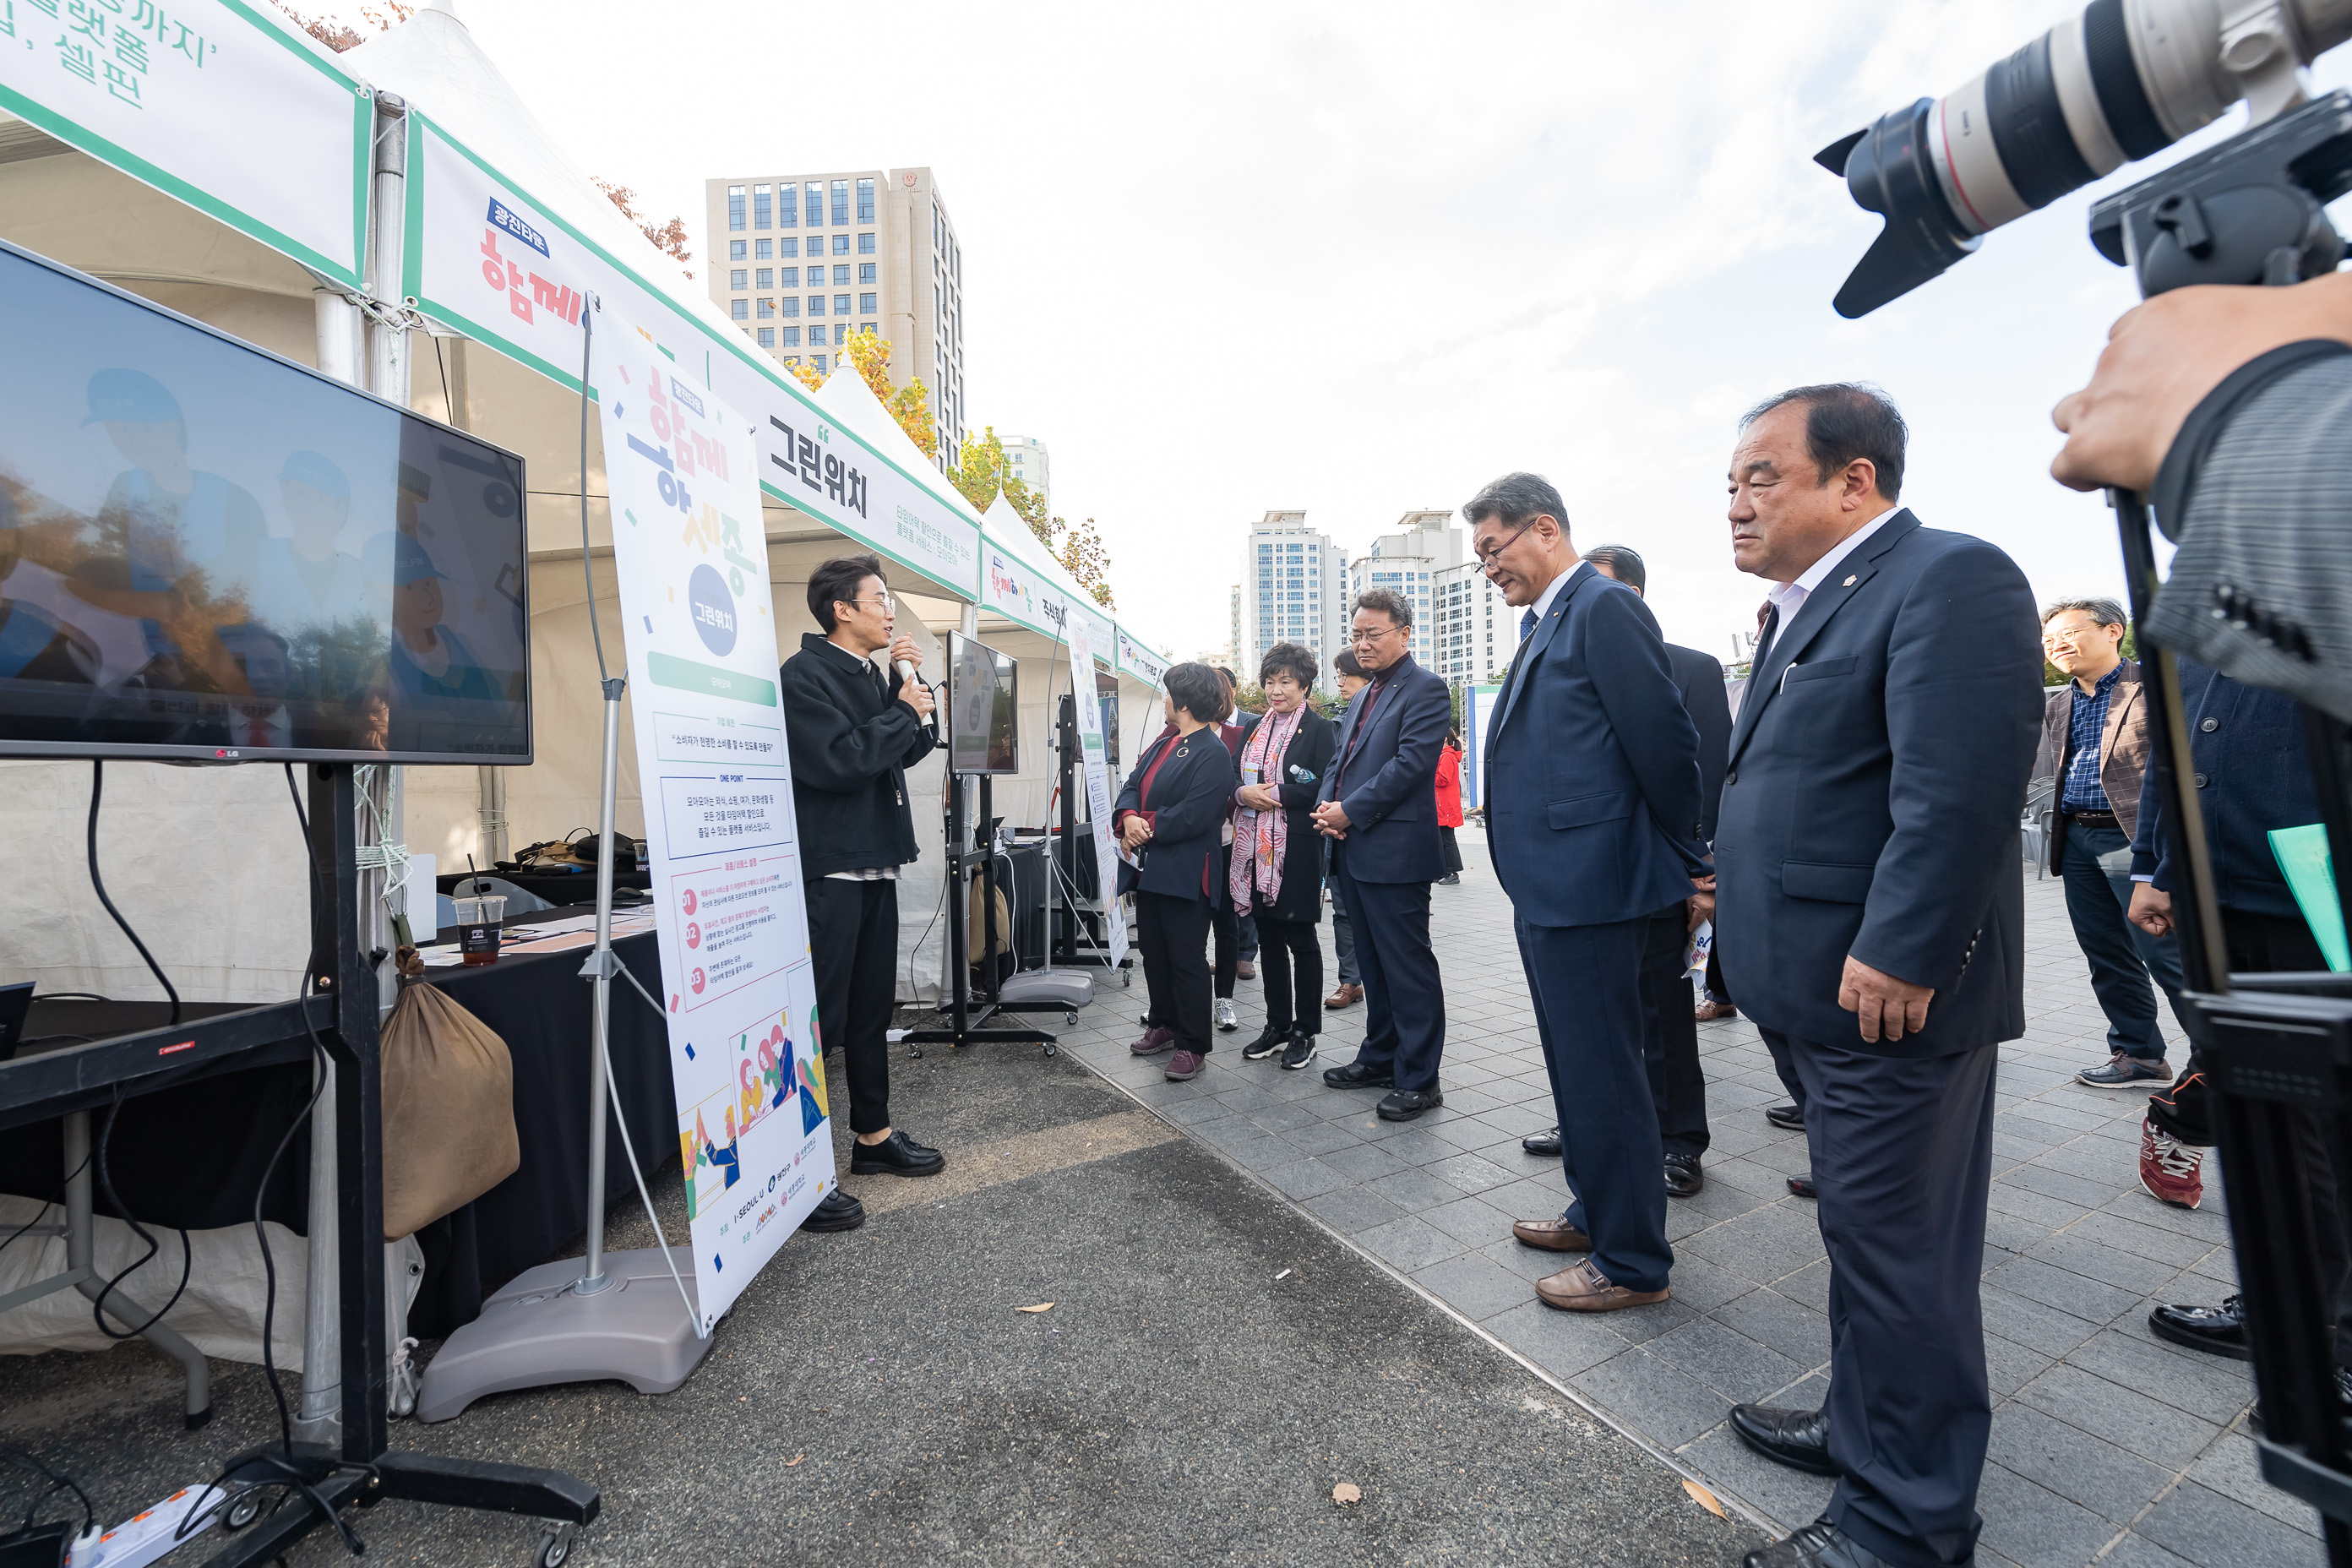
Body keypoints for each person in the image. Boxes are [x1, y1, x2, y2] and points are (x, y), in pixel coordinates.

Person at [1713, 384, 2042, 1568]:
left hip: (1886, 998)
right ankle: (1866, 1432)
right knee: (1866, 1240)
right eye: (1730, 485)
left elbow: (1956, 789)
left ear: (1856, 480)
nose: (1737, 504)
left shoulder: (1948, 576)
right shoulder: (1803, 609)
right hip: (1809, 991)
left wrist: (1905, 947)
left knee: (1905, 1265)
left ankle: (1904, 1525)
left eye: (1763, 477)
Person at [2049, 265, 2352, 1435]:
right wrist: (2165, 869)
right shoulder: (2200, 593)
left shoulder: (2313, 541)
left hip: (2318, 878)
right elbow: (2183, 752)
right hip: (2223, 885)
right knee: (2266, 1113)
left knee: (2333, 1117)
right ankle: (2280, 1301)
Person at [1469, 478, 1711, 1313]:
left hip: (1597, 886)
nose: (1490, 569)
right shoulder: (1551, 620)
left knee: (1607, 1076)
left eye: (1495, 549)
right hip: (1555, 888)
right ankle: (1597, 1211)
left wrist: (1692, 857)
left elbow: (1666, 741)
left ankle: (1633, 1260)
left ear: (1545, 527)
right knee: (1579, 1075)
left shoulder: (1602, 607)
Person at [1517, 542, 1729, 1201]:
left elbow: (1704, 775)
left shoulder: (1692, 669)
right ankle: (1594, 1130)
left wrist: (1702, 873)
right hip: (1587, 878)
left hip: (1660, 873)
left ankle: (1678, 1141)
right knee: (1595, 1025)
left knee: (1662, 1018)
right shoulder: (1553, 653)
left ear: (1630, 596)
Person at [776, 555, 945, 1235]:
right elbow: (839, 762)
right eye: (879, 599)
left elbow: (912, 744)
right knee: (816, 1020)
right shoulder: (802, 676)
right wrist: (898, 711)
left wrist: (910, 683)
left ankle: (872, 1138)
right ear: (841, 608)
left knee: (873, 1009)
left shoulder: (873, 674)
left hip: (874, 862)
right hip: (831, 868)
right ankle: (798, 1168)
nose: (889, 611)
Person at [2037, 599, 2188, 1091]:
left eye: (2069, 633)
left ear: (2112, 632)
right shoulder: (2059, 702)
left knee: (2165, 950)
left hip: (2135, 838)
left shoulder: (2156, 684)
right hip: (2076, 836)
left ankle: (2221, 1057)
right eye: (2049, 639)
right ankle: (2139, 1054)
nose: (2057, 644)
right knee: (2104, 951)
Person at [1315, 588, 1451, 1120]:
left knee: (1406, 966)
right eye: (1356, 635)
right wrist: (1330, 804)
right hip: (1353, 847)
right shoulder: (1364, 693)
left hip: (1394, 852)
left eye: (1373, 634)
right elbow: (1340, 759)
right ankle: (1379, 1056)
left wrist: (1350, 809)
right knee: (1371, 964)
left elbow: (1410, 764)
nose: (1363, 644)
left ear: (1404, 633)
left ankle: (1421, 1078)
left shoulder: (1426, 689)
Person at [1117, 662, 1244, 1082]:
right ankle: (1164, 1023)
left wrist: (1142, 826)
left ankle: (1193, 1043)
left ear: (1185, 702)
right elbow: (1131, 784)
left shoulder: (1213, 752)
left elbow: (1196, 815)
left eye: (1170, 693)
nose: (1165, 700)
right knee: (1153, 950)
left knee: (1186, 958)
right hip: (1153, 867)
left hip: (1188, 870)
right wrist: (1129, 816)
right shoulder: (1165, 742)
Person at [1229, 642, 1337, 1070]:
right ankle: (1276, 1025)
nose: (1276, 690)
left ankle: (1305, 1031)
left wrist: (1273, 794)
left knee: (1302, 941)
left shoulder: (1319, 729)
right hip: (1254, 847)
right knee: (1269, 939)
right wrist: (1242, 793)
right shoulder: (1255, 728)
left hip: (1297, 847)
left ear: (1305, 686)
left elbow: (1322, 787)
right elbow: (1233, 777)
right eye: (1270, 682)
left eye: (1285, 682)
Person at [1323, 649, 1370, 1011]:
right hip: (1336, 832)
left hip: (1372, 828)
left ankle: (1375, 976)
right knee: (1342, 912)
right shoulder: (1338, 720)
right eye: (1337, 675)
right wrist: (1326, 812)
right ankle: (1349, 980)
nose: (1339, 682)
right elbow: (1331, 771)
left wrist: (1348, 812)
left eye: (1345, 675)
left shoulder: (1389, 712)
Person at [1434, 727, 1465, 885]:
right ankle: (1445, 871)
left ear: (1444, 739)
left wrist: (1428, 772)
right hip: (1444, 805)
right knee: (1442, 839)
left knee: (1447, 839)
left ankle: (1453, 872)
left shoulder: (1447, 756)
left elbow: (1442, 779)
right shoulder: (1446, 756)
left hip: (1445, 806)